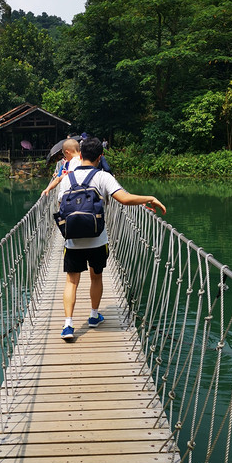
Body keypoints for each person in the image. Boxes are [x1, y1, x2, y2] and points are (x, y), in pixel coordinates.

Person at [57, 136, 166, 340]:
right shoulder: (103, 177)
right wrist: (149, 197)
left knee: (71, 281)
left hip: (72, 241)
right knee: (95, 276)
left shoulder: (66, 179)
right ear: (100, 157)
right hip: (98, 240)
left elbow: (60, 208)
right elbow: (124, 199)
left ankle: (68, 325)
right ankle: (93, 316)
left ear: (80, 155)